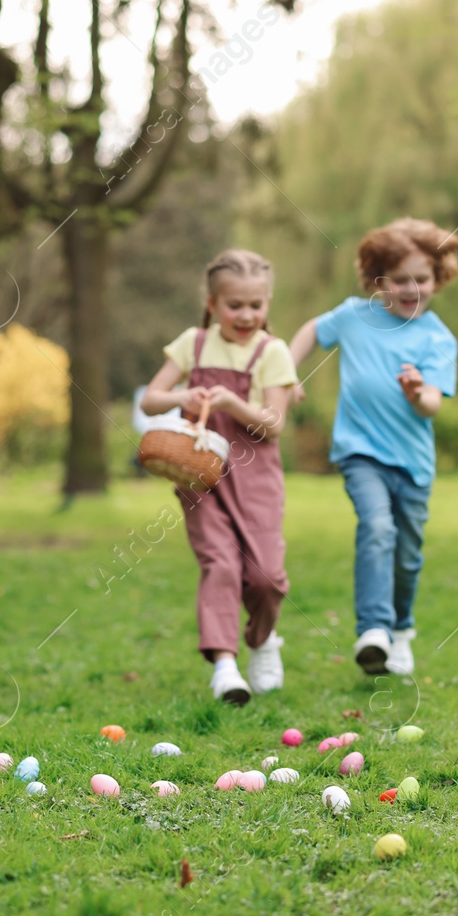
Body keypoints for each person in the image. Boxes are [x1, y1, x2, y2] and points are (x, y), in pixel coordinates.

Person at [289, 218, 458, 677]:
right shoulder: (354, 315)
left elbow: (431, 407)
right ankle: (373, 631)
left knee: (406, 554)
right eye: (399, 279)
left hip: (413, 464)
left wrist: (417, 391)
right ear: (377, 281)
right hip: (360, 452)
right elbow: (311, 329)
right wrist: (287, 371)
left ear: (438, 279)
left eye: (421, 279)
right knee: (377, 527)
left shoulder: (438, 339)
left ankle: (401, 630)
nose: (411, 289)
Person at [140, 249, 298, 704]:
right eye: (235, 306)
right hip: (200, 473)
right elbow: (151, 399)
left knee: (266, 577)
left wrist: (232, 403)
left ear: (267, 304)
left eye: (256, 305)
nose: (246, 315)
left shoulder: (274, 352)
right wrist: (183, 392)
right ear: (212, 303)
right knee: (221, 564)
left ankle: (262, 639)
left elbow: (273, 422)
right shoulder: (192, 343)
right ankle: (225, 667)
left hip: (256, 478)